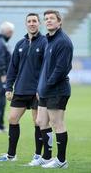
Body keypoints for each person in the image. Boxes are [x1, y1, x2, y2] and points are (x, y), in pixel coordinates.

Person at [0, 13, 53, 162]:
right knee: (12, 119)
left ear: (39, 24)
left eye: (34, 21)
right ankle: (11, 155)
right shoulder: (20, 44)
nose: (32, 23)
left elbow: (47, 67)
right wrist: (8, 87)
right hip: (20, 89)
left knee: (38, 122)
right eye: (29, 21)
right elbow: (12, 68)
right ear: (26, 24)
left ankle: (38, 155)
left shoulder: (45, 42)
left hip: (37, 91)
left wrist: (43, 88)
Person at [36, 10, 73, 168]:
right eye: (46, 19)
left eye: (52, 18)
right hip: (45, 89)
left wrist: (48, 84)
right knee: (41, 121)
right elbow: (45, 67)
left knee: (57, 123)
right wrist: (41, 87)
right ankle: (46, 157)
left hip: (57, 89)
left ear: (59, 22)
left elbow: (62, 68)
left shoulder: (63, 42)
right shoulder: (48, 40)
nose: (48, 21)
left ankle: (61, 160)